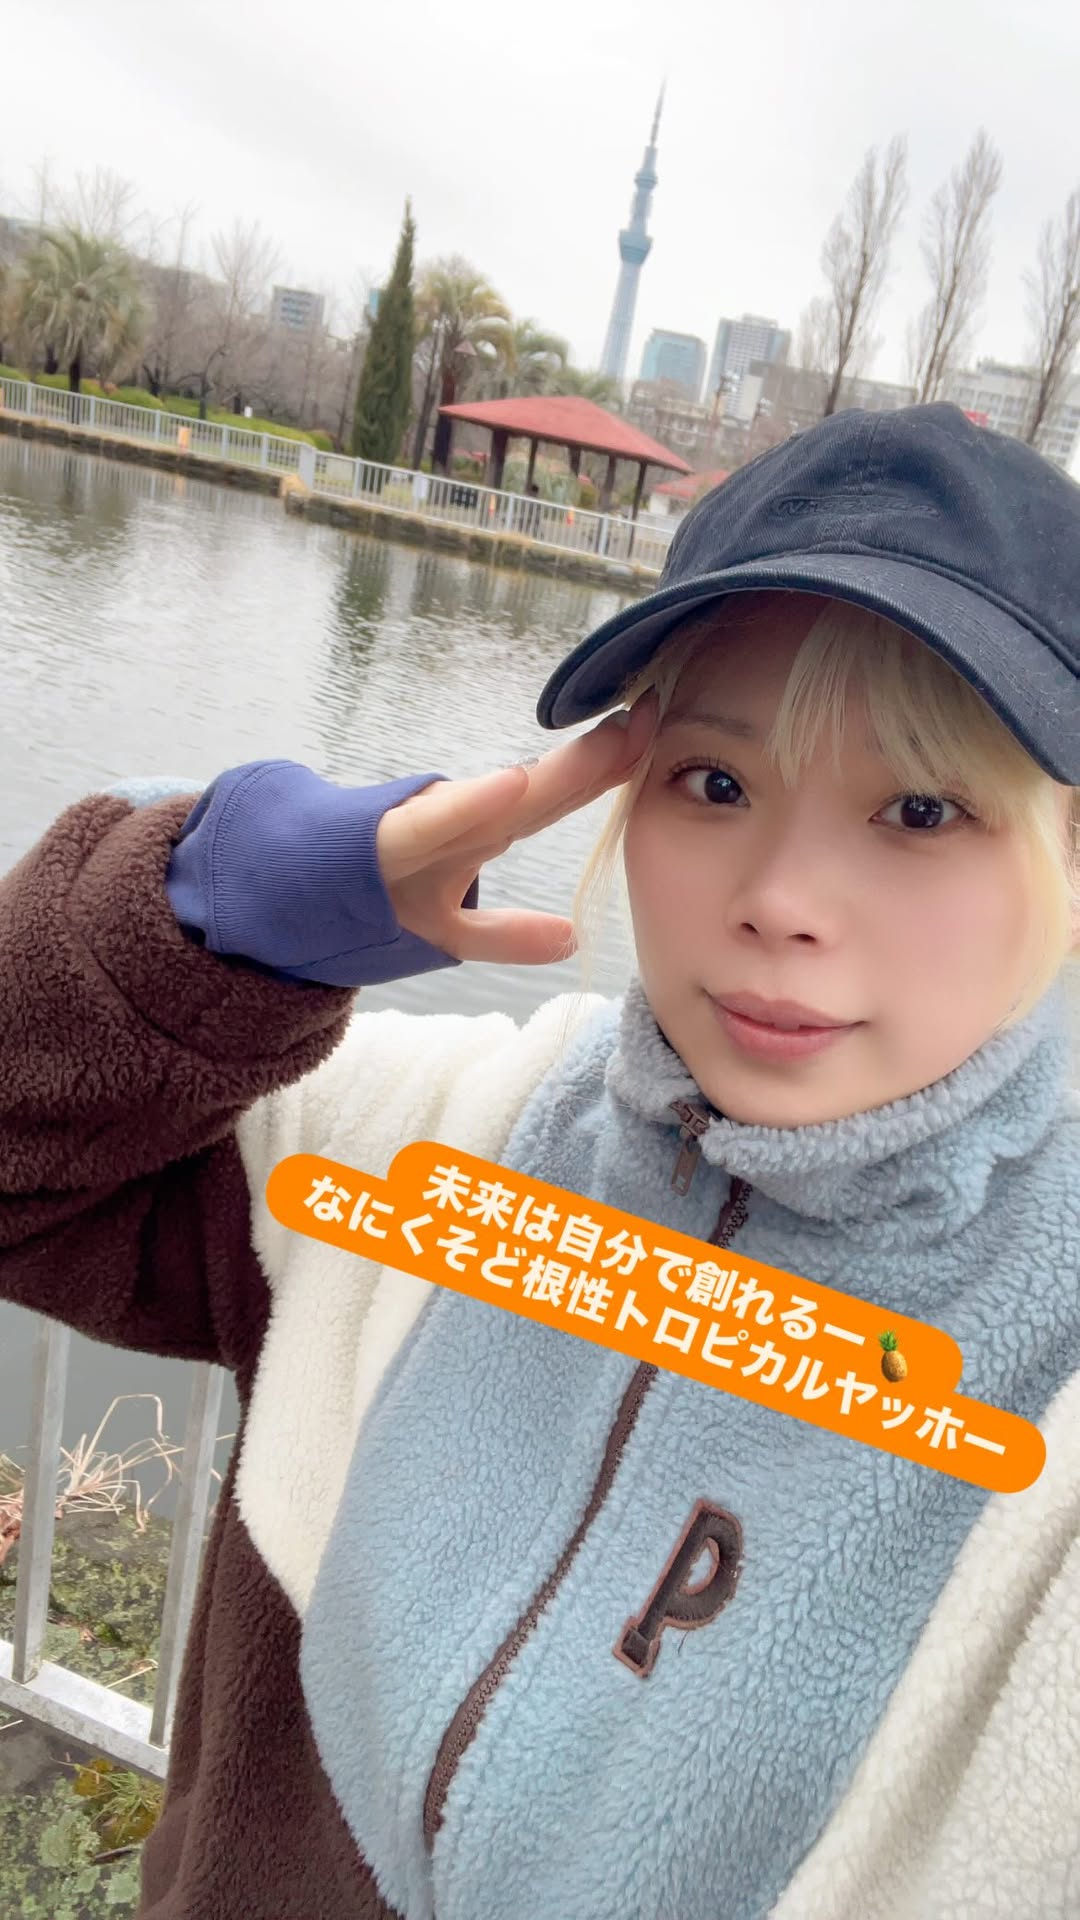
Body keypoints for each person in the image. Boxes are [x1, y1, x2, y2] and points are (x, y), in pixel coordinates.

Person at [1, 403, 1077, 1920]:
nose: (781, 898)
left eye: (921, 809)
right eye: (715, 783)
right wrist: (210, 932)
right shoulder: (428, 1138)